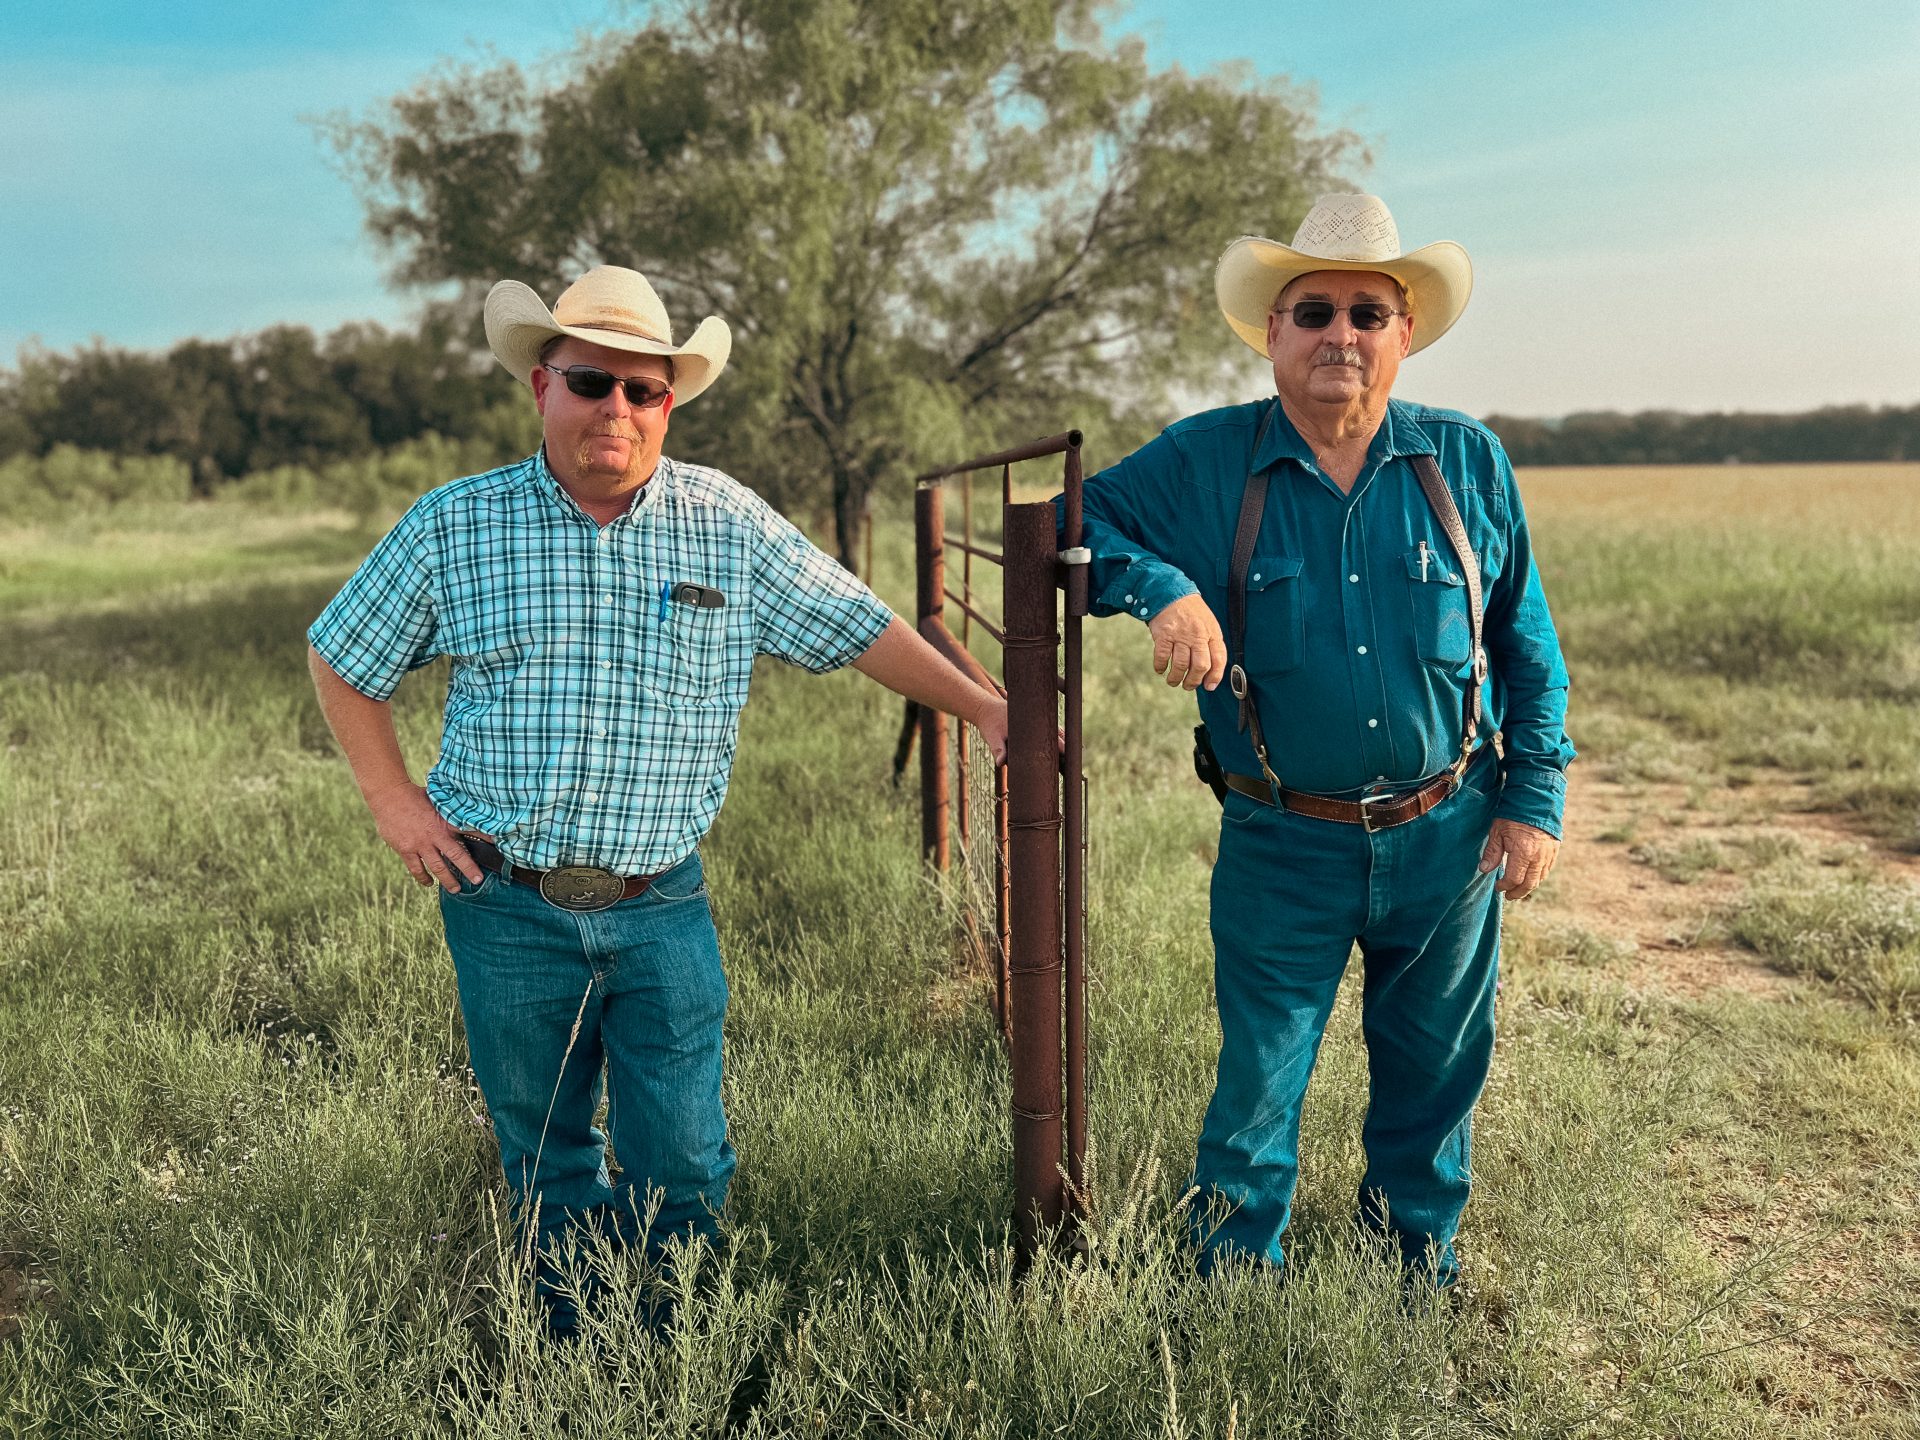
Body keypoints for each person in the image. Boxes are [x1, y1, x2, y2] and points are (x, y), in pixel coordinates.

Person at [306, 265, 1006, 1338]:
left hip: (659, 902)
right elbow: (343, 658)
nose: (618, 410)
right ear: (541, 386)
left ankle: (682, 1353)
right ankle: (573, 1358)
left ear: (669, 404)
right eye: (593, 383)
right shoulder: (455, 525)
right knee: (547, 1156)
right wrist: (396, 802)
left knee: (682, 1160)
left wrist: (987, 711)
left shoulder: (726, 523)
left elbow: (861, 626)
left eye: (644, 391)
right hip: (505, 903)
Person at [1060, 194, 1573, 1290]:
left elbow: (1525, 637)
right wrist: (1160, 586)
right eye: (1315, 311)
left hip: (1448, 835)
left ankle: (1409, 1274)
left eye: (1368, 313)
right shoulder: (1202, 461)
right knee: (1259, 1078)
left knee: (1434, 1075)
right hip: (1282, 841)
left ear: (1403, 333)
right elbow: (1063, 522)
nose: (1341, 333)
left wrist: (1533, 800)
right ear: (1273, 333)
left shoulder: (1466, 462)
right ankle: (1238, 1284)